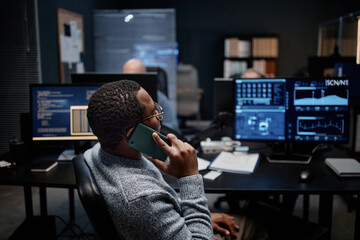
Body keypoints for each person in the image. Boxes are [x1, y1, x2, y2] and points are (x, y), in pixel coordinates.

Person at [85, 80, 267, 239]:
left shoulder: (97, 152)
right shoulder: (141, 198)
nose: (159, 115)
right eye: (153, 113)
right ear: (134, 134)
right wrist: (190, 177)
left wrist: (195, 217)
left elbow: (156, 214)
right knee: (259, 225)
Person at [123, 58, 180, 132]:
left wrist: (154, 127)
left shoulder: (159, 97)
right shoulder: (118, 99)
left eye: (135, 78)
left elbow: (173, 126)